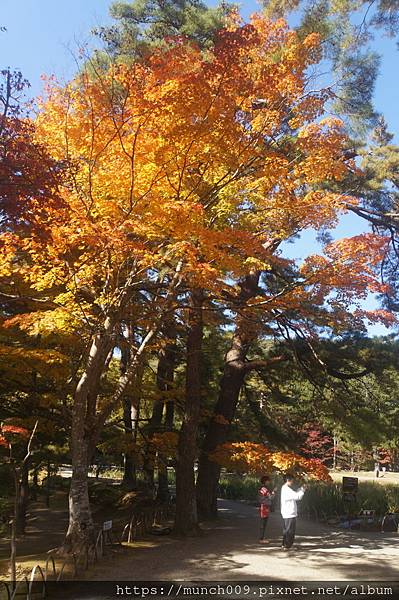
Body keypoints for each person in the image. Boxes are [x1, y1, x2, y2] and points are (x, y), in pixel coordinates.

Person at [280, 473, 306, 551]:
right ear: (288, 480)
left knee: (286, 530)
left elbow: (295, 494)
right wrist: (303, 490)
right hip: (289, 513)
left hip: (287, 512)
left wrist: (301, 489)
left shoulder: (285, 488)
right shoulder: (286, 489)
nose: (293, 482)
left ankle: (284, 544)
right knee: (290, 530)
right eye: (292, 480)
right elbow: (297, 496)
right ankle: (287, 546)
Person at [258, 475, 275, 543]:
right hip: (264, 507)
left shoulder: (261, 488)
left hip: (263, 506)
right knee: (263, 523)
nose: (269, 482)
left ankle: (262, 538)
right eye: (268, 481)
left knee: (263, 523)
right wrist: (274, 492)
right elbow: (271, 497)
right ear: (265, 481)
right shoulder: (264, 489)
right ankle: (261, 539)